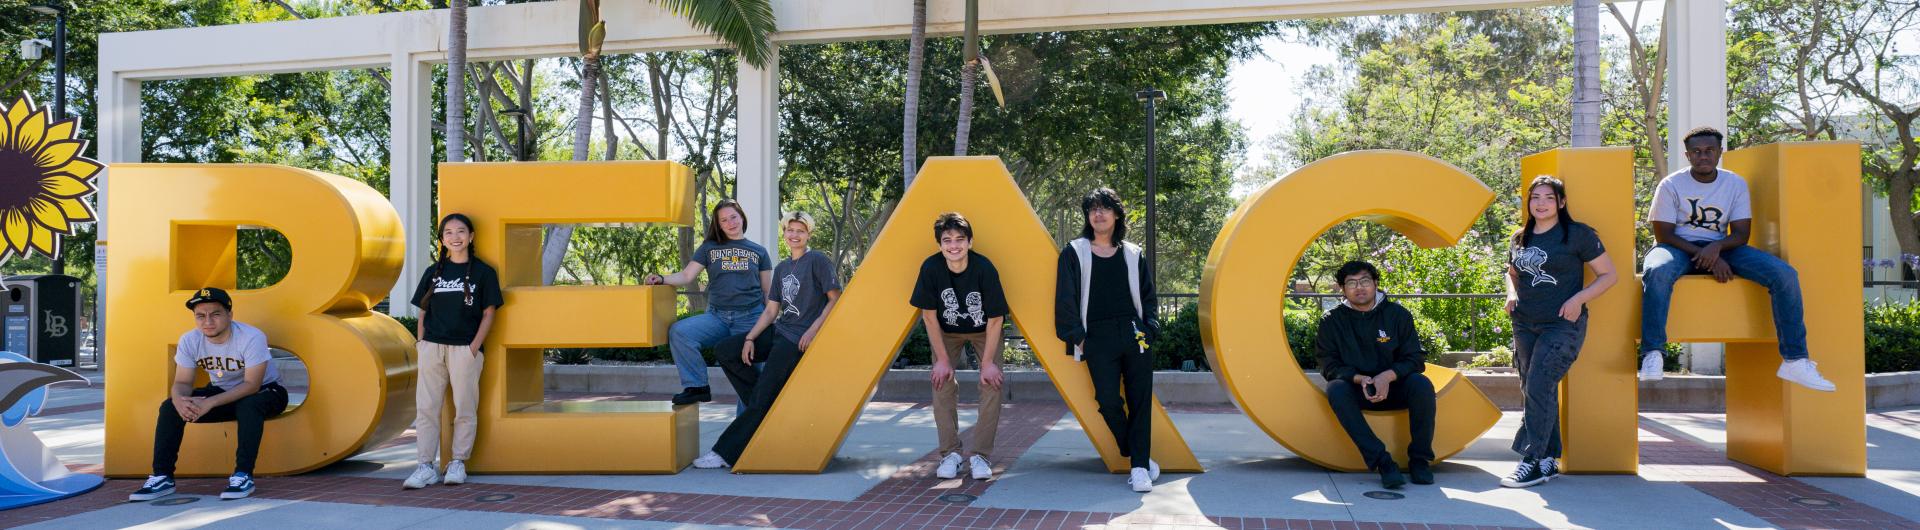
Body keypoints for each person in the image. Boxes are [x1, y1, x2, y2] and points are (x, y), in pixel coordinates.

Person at [1638, 127, 1834, 392]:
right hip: (1677, 246)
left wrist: (1716, 249)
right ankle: (1653, 353)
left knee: (1785, 274)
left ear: (1720, 152)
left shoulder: (1734, 183)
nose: (1703, 156)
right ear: (1687, 155)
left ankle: (1795, 360)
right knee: (1657, 269)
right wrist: (1707, 256)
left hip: (1723, 246)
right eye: (1696, 152)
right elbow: (1663, 234)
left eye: (1709, 150)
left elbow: (1741, 234)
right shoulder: (1671, 184)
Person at [692, 211, 841, 469]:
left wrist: (813, 330)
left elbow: (834, 298)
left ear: (809, 234)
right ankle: (768, 402)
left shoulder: (817, 260)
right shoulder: (782, 267)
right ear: (784, 233)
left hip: (797, 339)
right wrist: (750, 338)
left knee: (762, 396)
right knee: (727, 350)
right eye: (790, 230)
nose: (794, 235)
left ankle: (723, 453)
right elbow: (772, 310)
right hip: (780, 330)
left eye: (800, 231)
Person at [1499, 176, 1618, 488]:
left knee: (1539, 384)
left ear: (1561, 202)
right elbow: (1512, 273)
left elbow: (1609, 275)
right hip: (1524, 323)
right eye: (1535, 197)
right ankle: (1549, 459)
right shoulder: (1519, 237)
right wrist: (1511, 293)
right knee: (1535, 388)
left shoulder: (1578, 235)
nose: (1541, 203)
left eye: (1549, 198)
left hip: (1562, 325)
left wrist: (1578, 299)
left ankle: (1533, 460)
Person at [130, 287, 289, 502]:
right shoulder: (190, 340)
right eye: (200, 316)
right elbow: (182, 382)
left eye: (215, 314)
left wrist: (210, 403)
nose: (208, 321)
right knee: (169, 407)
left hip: (267, 392)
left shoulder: (250, 337)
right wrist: (179, 400)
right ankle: (162, 477)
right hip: (223, 392)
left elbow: (252, 385)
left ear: (229, 315)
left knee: (248, 405)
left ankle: (243, 475)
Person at [1053, 187, 1161, 493]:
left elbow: (1148, 296)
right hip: (1096, 337)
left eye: (1105, 208)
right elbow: (1065, 301)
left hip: (1134, 333)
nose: (1098, 214)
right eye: (1093, 209)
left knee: (1141, 402)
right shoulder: (1074, 252)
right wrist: (1080, 339)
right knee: (1108, 400)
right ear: (1088, 217)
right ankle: (1133, 451)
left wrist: (1149, 328)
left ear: (1116, 214)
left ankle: (1139, 468)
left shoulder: (1132, 252)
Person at [404, 213, 504, 489]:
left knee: (465, 408)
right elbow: (423, 311)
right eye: (448, 232)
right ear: (442, 239)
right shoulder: (433, 272)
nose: (455, 237)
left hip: (465, 350)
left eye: (461, 231)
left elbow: (489, 313)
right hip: (432, 348)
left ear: (471, 236)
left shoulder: (484, 272)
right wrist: (421, 342)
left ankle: (458, 462)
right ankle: (425, 466)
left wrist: (473, 347)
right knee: (427, 408)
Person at [1317, 260, 1435, 490]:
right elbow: (1328, 364)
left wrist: (1387, 377)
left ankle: (1420, 460)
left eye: (1364, 281)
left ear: (1376, 284)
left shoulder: (1397, 315)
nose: (1359, 287)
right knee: (1336, 389)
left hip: (1395, 387)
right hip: (1357, 389)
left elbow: (1415, 359)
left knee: (1421, 384)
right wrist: (1361, 379)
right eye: (1351, 283)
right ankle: (1383, 462)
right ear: (1342, 289)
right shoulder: (1331, 321)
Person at [910, 213, 1010, 480]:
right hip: (947, 331)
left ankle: (980, 456)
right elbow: (929, 316)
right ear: (940, 244)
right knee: (940, 382)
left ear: (970, 242)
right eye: (947, 240)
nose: (954, 245)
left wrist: (987, 364)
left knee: (992, 384)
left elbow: (996, 318)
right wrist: (942, 360)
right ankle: (950, 454)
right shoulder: (931, 268)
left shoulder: (984, 268)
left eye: (959, 239)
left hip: (983, 330)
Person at [647, 199, 775, 407]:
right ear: (719, 225)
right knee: (680, 332)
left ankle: (747, 434)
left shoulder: (759, 251)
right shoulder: (709, 248)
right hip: (717, 317)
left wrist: (770, 320)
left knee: (750, 382)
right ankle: (697, 386)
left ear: (741, 217)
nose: (730, 223)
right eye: (724, 220)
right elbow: (687, 275)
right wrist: (662, 278)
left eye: (733, 217)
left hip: (750, 319)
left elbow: (767, 291)